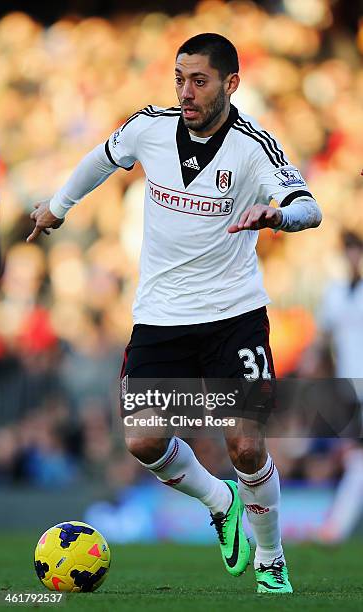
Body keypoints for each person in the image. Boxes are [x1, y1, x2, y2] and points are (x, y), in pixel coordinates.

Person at [27, 33, 322, 594]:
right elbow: (101, 159)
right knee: (141, 441)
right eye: (180, 79)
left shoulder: (254, 146)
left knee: (246, 443)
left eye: (199, 80)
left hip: (232, 315)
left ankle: (271, 558)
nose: (186, 91)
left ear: (231, 84)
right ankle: (220, 501)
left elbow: (308, 206)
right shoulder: (150, 127)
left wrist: (277, 217)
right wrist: (58, 207)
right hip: (160, 316)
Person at [317, 229, 363, 542]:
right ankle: (337, 527)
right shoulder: (335, 293)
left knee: (355, 457)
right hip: (349, 388)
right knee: (354, 457)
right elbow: (323, 340)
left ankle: (336, 528)